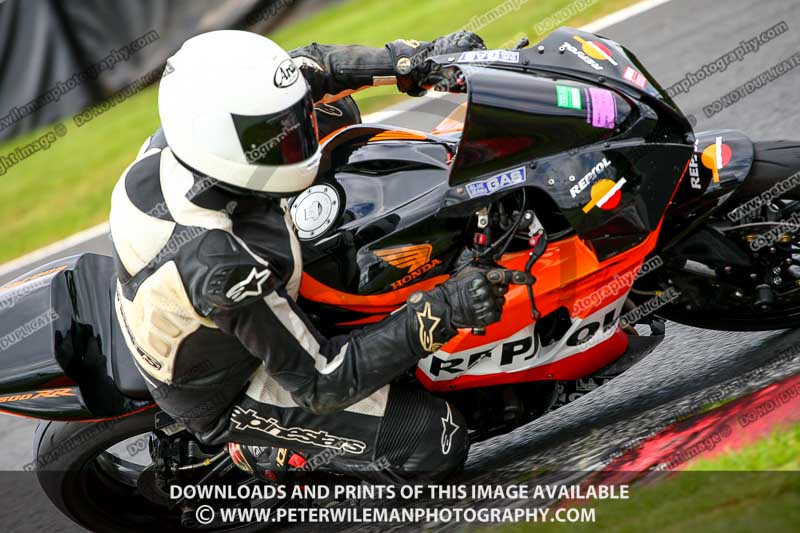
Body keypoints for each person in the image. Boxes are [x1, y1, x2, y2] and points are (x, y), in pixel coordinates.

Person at [110, 29, 504, 482]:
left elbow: (312, 67)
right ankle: (262, 451)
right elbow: (321, 381)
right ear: (221, 143)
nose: (297, 134)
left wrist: (412, 60)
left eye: (292, 122)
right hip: (232, 384)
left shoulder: (193, 134)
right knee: (435, 440)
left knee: (337, 110)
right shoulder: (221, 264)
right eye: (275, 134)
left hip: (211, 294)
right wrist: (443, 309)